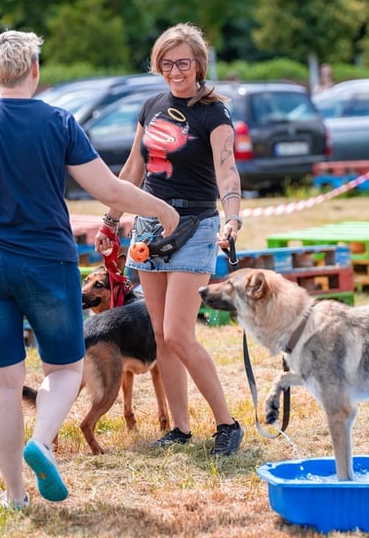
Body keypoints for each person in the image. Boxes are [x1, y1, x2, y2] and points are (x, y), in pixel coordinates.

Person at [0, 30, 179, 509]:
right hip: (46, 262)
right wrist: (161, 210)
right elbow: (109, 189)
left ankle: (16, 496)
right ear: (35, 70)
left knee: (3, 383)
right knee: (64, 368)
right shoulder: (59, 122)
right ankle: (41, 442)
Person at [95, 23, 244, 456]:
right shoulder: (152, 105)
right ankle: (180, 428)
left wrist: (231, 217)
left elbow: (227, 169)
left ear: (199, 64)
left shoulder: (213, 113)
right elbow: (132, 171)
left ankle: (227, 425)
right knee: (161, 338)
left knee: (179, 334)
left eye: (183, 62)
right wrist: (111, 221)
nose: (175, 71)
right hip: (147, 226)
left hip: (195, 227)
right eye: (166, 62)